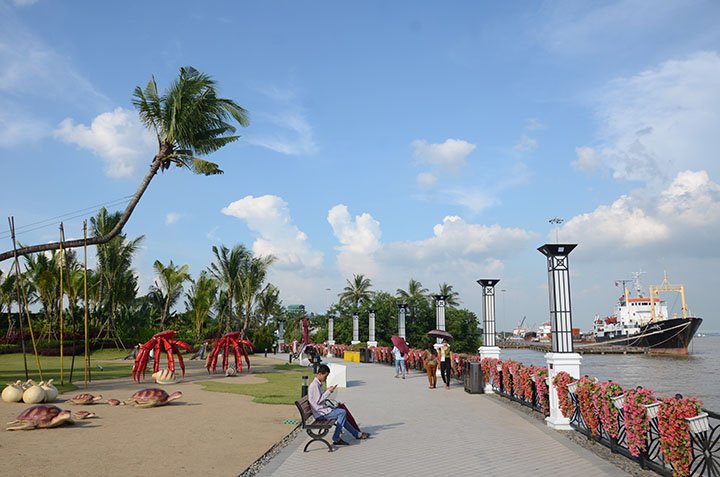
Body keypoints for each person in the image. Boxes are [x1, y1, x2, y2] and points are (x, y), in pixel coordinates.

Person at [308, 364, 370, 445]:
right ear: (320, 374)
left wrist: (329, 392)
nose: (326, 378)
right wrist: (328, 391)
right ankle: (336, 438)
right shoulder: (314, 385)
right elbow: (318, 401)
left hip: (322, 411)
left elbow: (318, 400)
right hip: (321, 414)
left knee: (342, 415)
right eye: (325, 376)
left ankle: (357, 434)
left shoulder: (317, 384)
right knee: (342, 412)